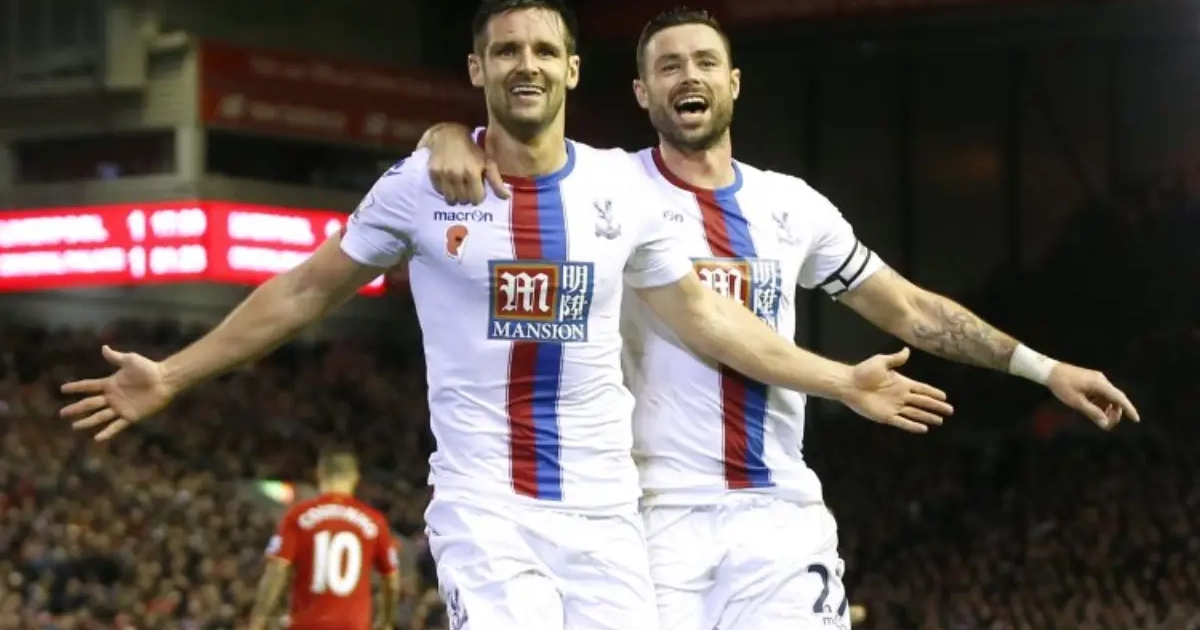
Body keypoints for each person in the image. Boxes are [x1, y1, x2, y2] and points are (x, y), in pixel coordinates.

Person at [59, 1, 954, 628]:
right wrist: (173, 372)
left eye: (543, 50)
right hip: (486, 507)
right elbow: (302, 290)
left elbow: (708, 316)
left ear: (572, 68)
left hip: (608, 516)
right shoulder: (421, 186)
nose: (526, 64)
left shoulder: (620, 189)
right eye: (506, 50)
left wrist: (840, 380)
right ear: (476, 70)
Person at [412, 6, 1141, 630]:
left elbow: (910, 308)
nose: (688, 77)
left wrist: (1044, 369)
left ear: (733, 83)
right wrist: (444, 134)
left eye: (705, 62)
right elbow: (499, 147)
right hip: (651, 519)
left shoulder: (791, 206)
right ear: (642, 92)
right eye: (668, 66)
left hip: (778, 513)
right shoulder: (607, 190)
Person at [249, 450, 401, 630]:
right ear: (355, 478)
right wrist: (386, 620)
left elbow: (277, 569)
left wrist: (259, 619)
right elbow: (391, 580)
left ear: (319, 474)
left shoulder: (298, 516)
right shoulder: (375, 521)